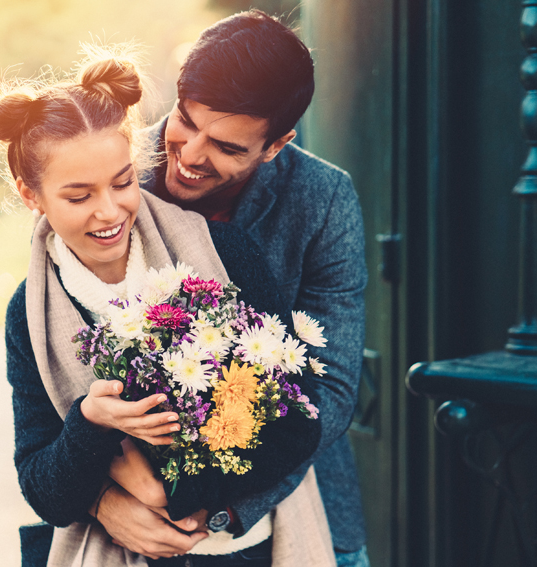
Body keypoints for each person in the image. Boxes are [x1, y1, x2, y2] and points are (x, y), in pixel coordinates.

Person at [0, 45, 337, 566]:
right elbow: (41, 487)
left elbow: (299, 424)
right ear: (32, 195)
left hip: (243, 553)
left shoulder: (222, 254)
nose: (109, 210)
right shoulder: (30, 313)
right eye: (78, 196)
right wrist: (90, 424)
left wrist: (171, 496)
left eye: (122, 182)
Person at [99, 10, 371, 567]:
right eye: (185, 121)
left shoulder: (323, 202)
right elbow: (50, 356)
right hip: (123, 518)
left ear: (276, 144)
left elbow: (333, 395)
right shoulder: (111, 171)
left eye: (227, 146)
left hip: (293, 503)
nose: (192, 154)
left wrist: (218, 510)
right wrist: (99, 499)